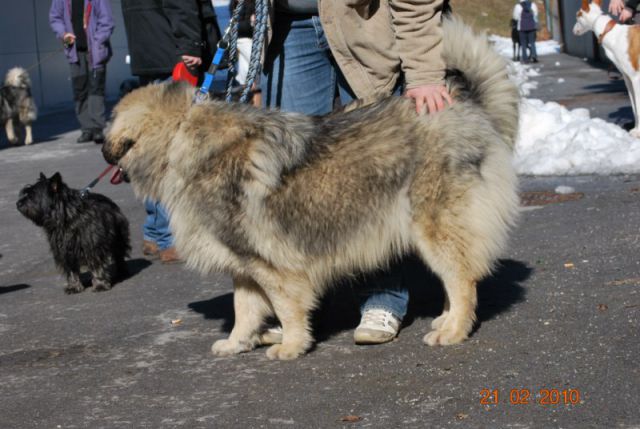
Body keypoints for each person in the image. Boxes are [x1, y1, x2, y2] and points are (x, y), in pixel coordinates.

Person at [260, 0, 452, 345]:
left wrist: (423, 71)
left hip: (367, 22)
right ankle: (298, 305)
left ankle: (382, 293)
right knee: (293, 179)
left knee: (370, 172)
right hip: (289, 29)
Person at [120, 0, 219, 263]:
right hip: (172, 51)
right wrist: (190, 43)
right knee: (171, 152)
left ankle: (155, 231)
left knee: (153, 151)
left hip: (149, 49)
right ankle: (168, 236)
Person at [49, 0, 114, 144]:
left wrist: (98, 40)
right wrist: (63, 34)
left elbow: (107, 21)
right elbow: (55, 18)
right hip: (74, 52)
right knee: (80, 90)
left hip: (96, 51)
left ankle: (97, 128)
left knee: (96, 88)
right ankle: (86, 129)